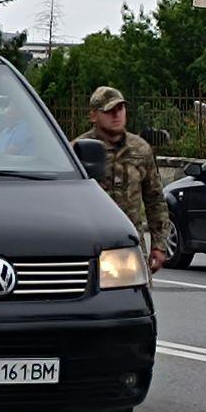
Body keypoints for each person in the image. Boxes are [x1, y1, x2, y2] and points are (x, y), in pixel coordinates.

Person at [76, 86, 170, 273]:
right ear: (94, 116)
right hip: (92, 244)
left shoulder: (140, 149)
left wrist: (159, 245)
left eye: (120, 109)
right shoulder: (79, 150)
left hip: (131, 243)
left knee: (135, 297)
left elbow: (155, 199)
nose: (116, 115)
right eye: (109, 111)